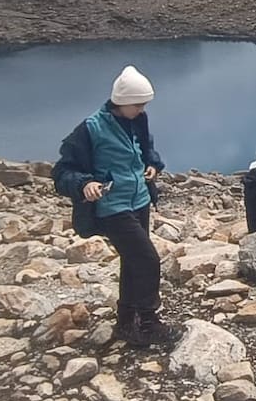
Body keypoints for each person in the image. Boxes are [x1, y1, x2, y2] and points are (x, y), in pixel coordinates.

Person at [52, 65, 177, 347]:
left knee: (133, 261)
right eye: (138, 103)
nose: (142, 108)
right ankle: (148, 322)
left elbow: (146, 150)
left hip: (140, 200)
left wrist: (152, 166)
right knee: (147, 260)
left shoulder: (138, 120)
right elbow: (62, 171)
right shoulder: (91, 128)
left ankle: (126, 322)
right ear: (121, 101)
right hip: (113, 205)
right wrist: (85, 183)